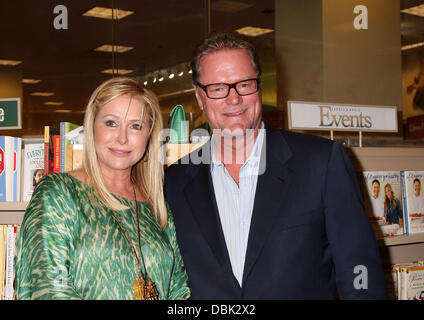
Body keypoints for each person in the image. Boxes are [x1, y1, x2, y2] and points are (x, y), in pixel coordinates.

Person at [164, 32, 387, 299]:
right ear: (199, 97)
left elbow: (359, 270)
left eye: (244, 84)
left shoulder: (321, 163)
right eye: (218, 88)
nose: (233, 99)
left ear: (258, 87)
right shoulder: (174, 182)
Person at [15, 77, 190, 300]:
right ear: (92, 126)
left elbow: (178, 289)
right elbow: (46, 289)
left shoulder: (156, 205)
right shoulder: (59, 193)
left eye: (135, 126)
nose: (122, 138)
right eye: (111, 123)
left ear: (149, 135)